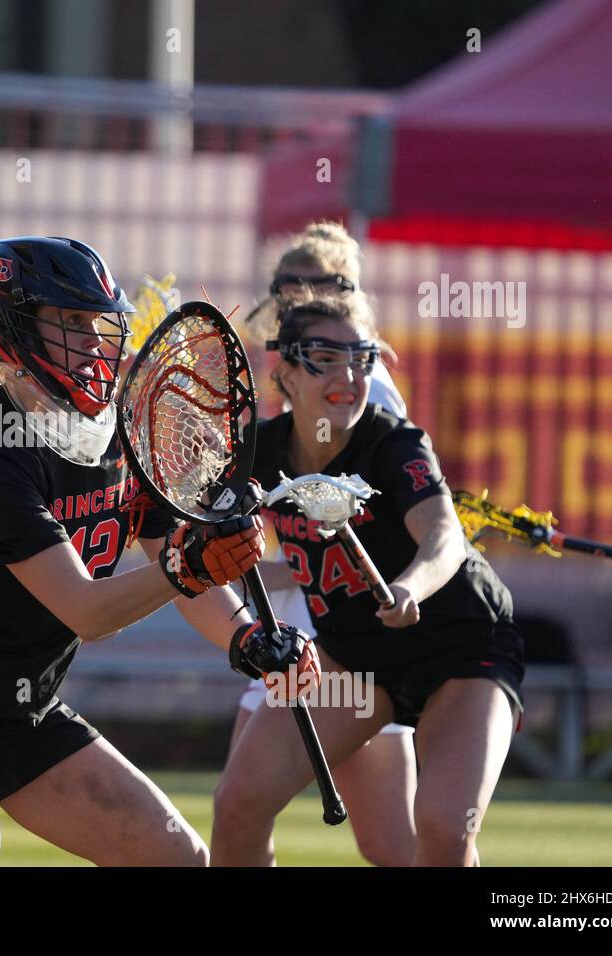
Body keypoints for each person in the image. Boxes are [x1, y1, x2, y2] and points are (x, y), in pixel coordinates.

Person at [0, 236, 316, 867]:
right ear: (12, 327)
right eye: (69, 322)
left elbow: (167, 551)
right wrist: (188, 566)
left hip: (26, 702)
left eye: (96, 322)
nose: (94, 340)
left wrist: (247, 636)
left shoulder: (115, 436)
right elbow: (89, 612)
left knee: (178, 859)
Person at [212, 295, 524, 867]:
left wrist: (410, 587)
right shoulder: (259, 450)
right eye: (325, 358)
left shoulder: (393, 443)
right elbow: (202, 536)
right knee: (238, 803)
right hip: (353, 660)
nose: (348, 375)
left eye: (361, 358)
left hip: (460, 649)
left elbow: (445, 538)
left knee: (444, 827)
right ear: (282, 370)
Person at [236, 221, 416, 866]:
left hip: (349, 635)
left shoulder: (367, 389)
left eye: (312, 289)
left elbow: (389, 516)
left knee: (396, 846)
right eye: (285, 290)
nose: (295, 303)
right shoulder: (286, 388)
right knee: (241, 810)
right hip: (287, 634)